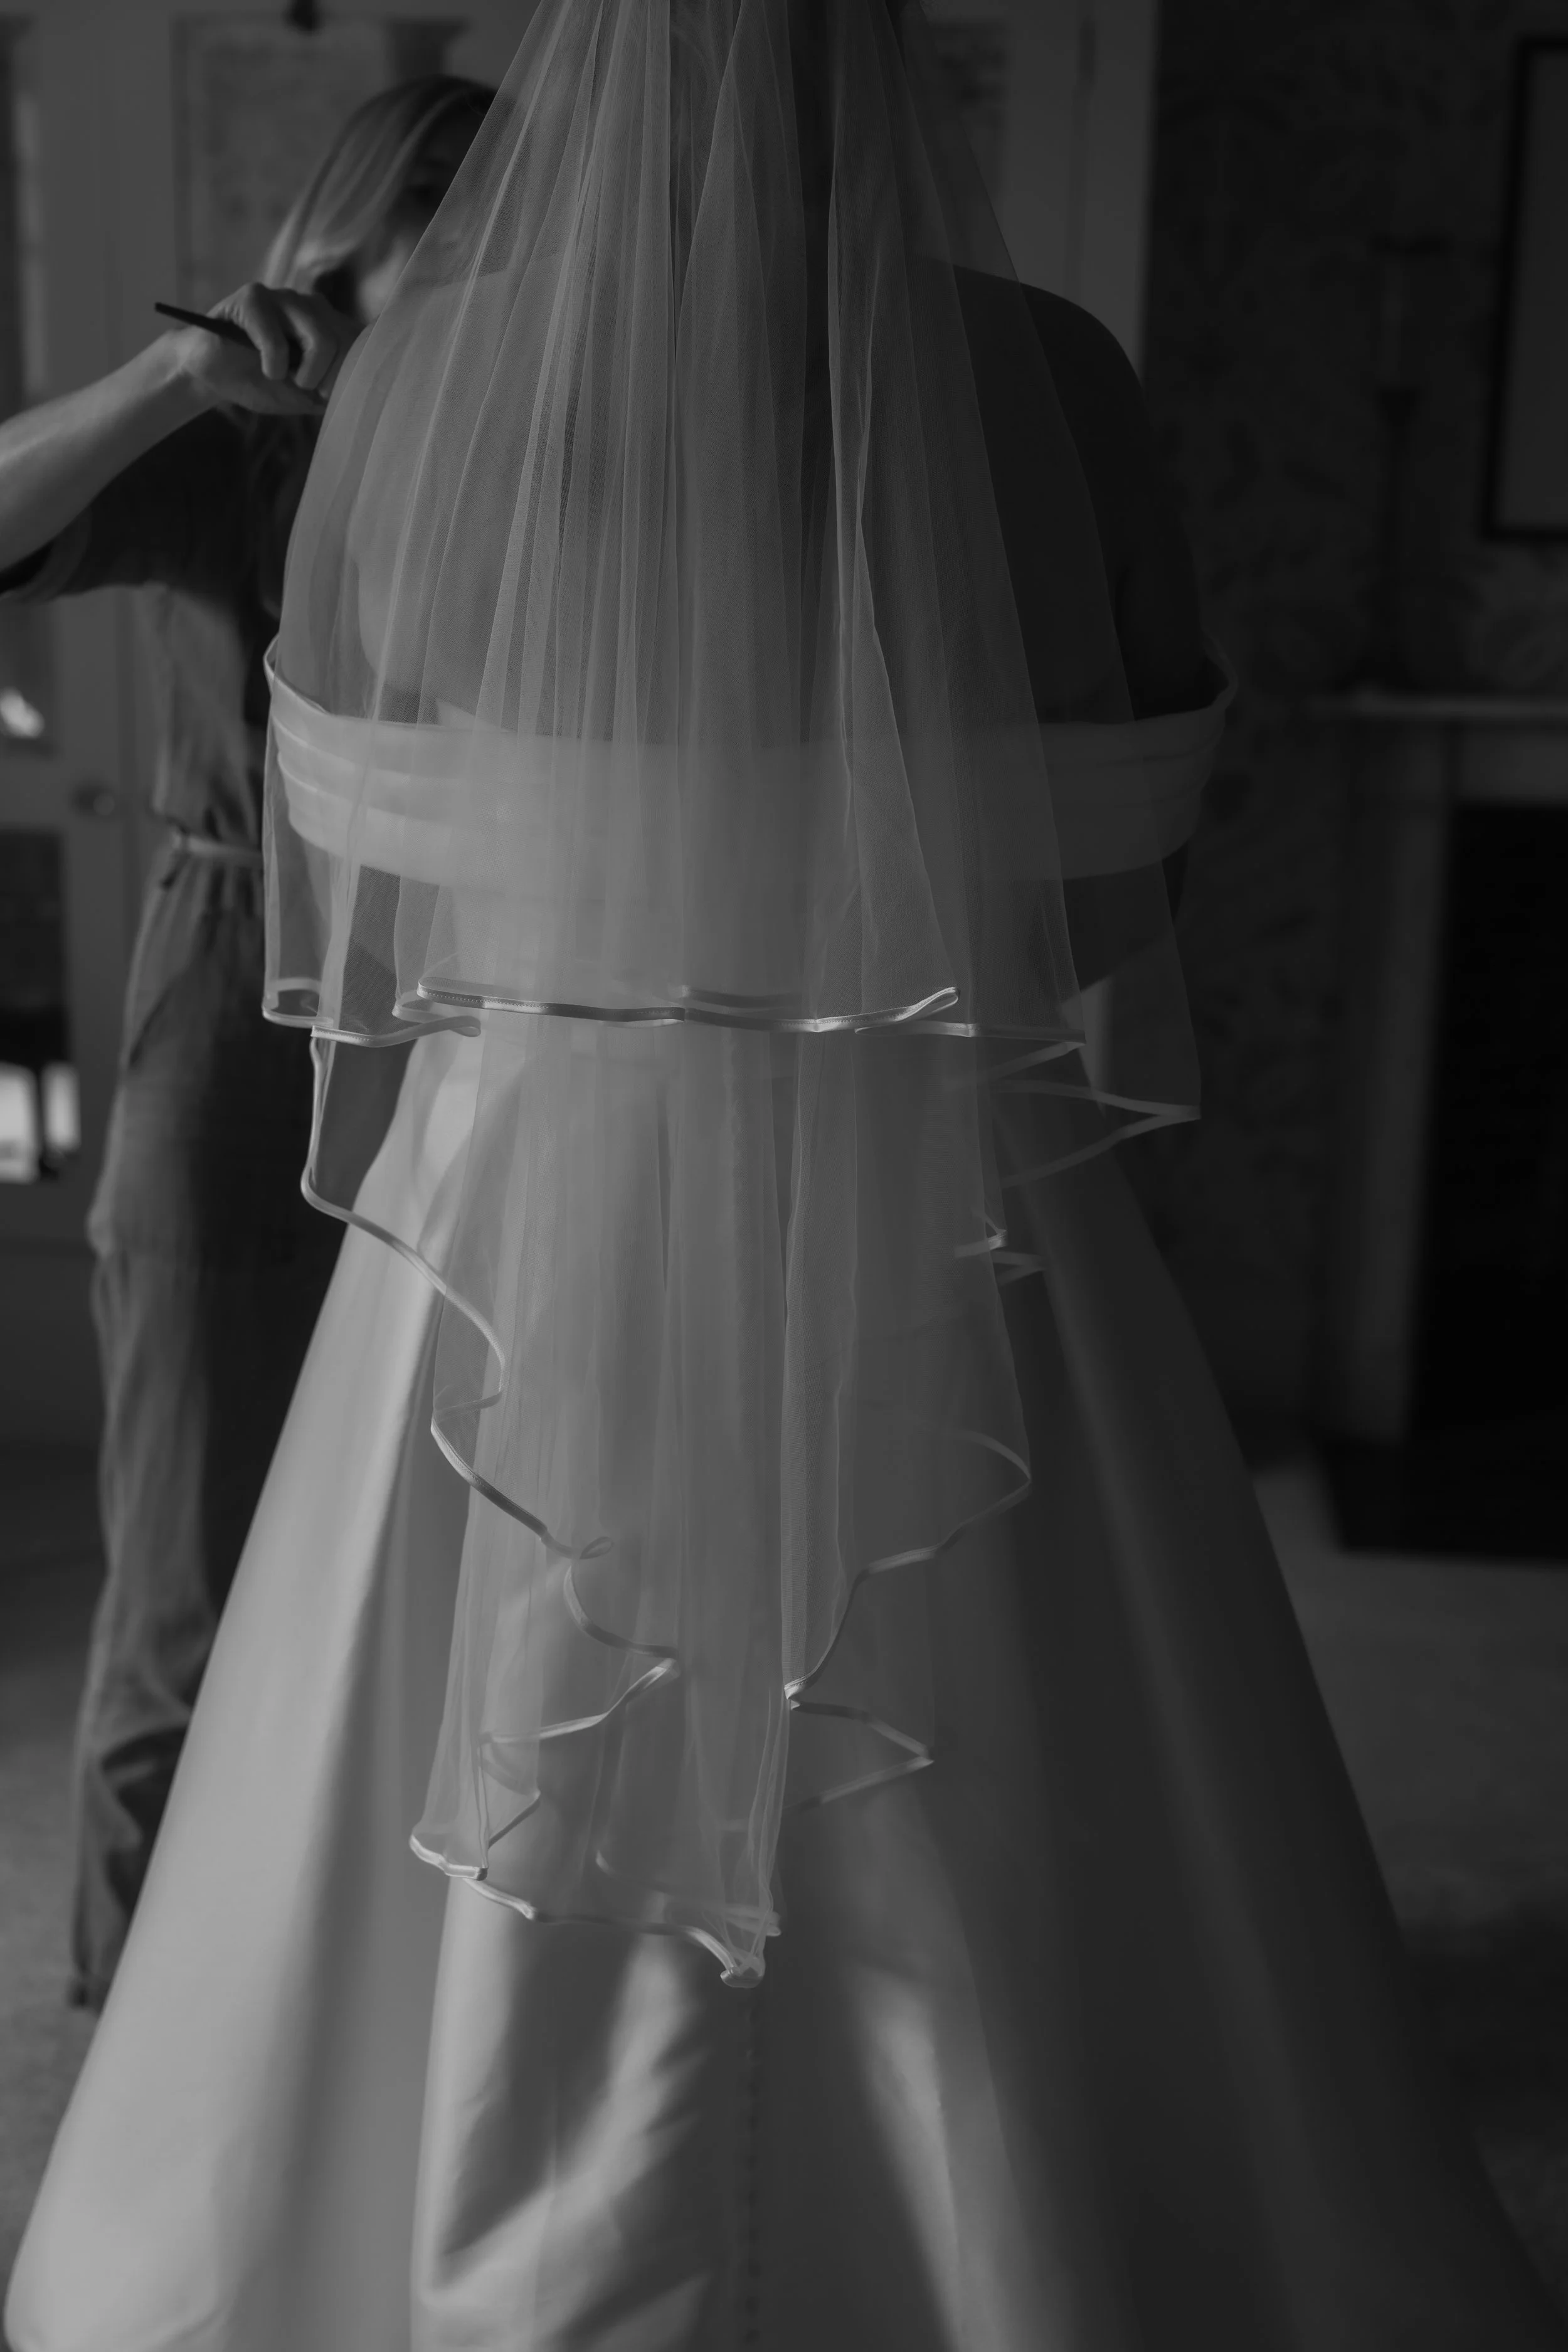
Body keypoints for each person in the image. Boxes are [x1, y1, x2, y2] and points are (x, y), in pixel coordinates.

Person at [8, 5, 1567, 2347]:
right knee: (985, 1702)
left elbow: (353, 843)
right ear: (889, 90)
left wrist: (605, 923)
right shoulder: (1039, 380)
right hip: (922, 1158)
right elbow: (1125, 854)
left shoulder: (421, 395)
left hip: (528, 1168)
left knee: (454, 1673)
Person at [0, 73, 492, 2011]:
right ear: (349, 232)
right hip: (245, 1023)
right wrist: (171, 386)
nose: (490, 261)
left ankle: (369, 2048)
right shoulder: (240, 453)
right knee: (189, 1592)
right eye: (444, 210)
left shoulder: (561, 462)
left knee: (446, 1592)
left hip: (499, 1033)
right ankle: (135, 2057)